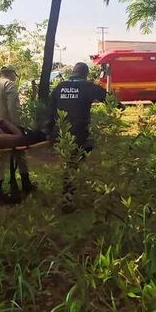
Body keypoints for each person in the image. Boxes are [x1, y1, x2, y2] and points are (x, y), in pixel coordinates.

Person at [48, 62, 107, 214]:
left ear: (73, 72)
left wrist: (49, 132)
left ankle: (73, 189)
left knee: (72, 162)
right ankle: (67, 201)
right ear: (85, 73)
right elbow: (107, 98)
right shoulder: (88, 86)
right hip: (79, 133)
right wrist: (120, 107)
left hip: (61, 132)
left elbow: (50, 111)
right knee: (73, 163)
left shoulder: (60, 87)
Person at [0, 66, 33, 205]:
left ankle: (22, 184)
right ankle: (2, 193)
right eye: (15, 76)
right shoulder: (9, 84)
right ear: (12, 74)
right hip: (6, 127)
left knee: (16, 154)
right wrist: (18, 127)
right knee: (3, 155)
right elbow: (13, 108)